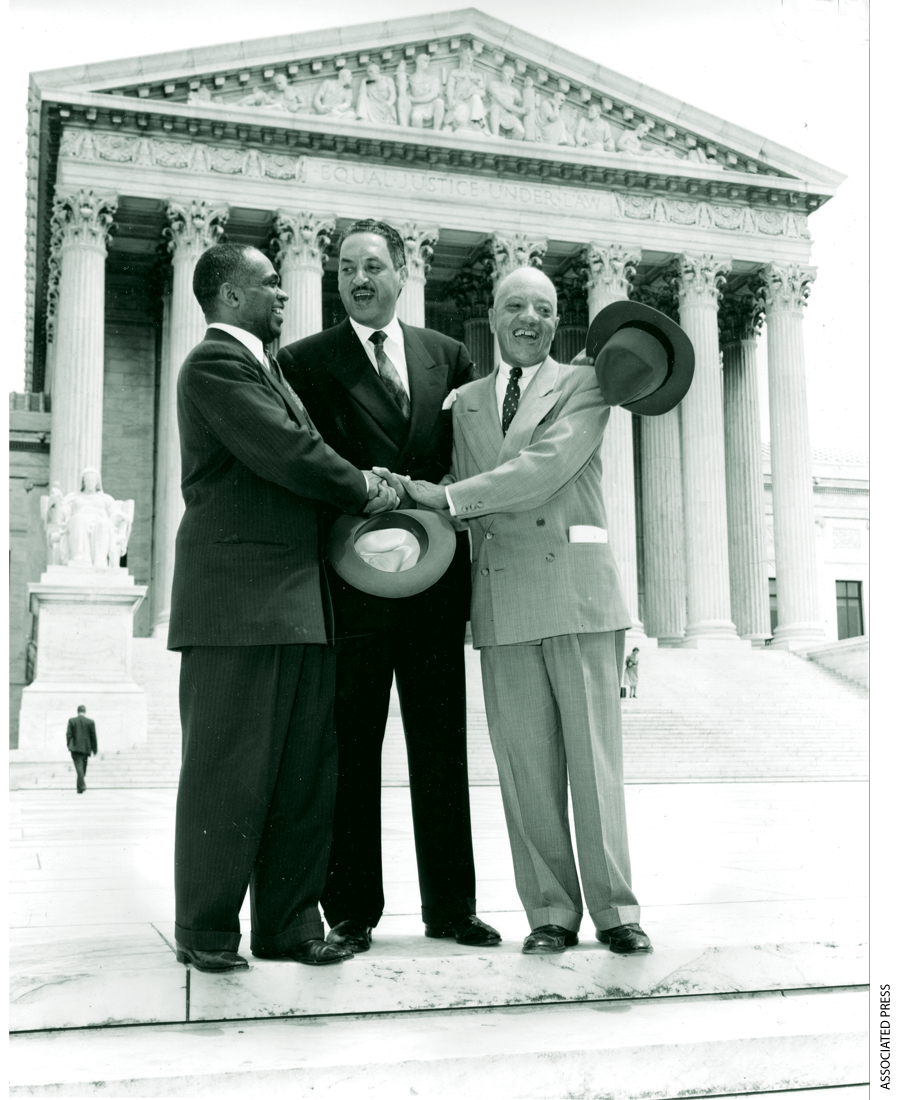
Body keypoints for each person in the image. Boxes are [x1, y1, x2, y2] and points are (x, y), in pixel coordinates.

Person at [378, 267, 653, 958]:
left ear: (556, 322)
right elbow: (455, 485)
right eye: (514, 307)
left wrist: (443, 499)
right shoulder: (464, 401)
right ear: (493, 320)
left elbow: (542, 468)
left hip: (578, 594)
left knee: (594, 763)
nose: (527, 319)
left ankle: (616, 910)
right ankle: (551, 912)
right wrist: (405, 496)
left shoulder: (587, 386)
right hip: (501, 598)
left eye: (542, 308)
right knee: (525, 768)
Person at [168, 242, 398, 975]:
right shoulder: (213, 365)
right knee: (228, 770)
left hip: (297, 599)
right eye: (271, 284)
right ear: (232, 297)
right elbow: (288, 452)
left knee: (305, 773)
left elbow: (301, 447)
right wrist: (364, 487)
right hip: (237, 604)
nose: (285, 294)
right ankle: (206, 929)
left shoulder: (265, 368)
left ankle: (289, 925)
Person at [277, 219, 500, 955]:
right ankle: (350, 912)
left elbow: (471, 462)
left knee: (441, 745)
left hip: (434, 581)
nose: (359, 278)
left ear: (404, 273)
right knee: (352, 748)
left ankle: (452, 907)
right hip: (354, 582)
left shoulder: (450, 355)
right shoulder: (307, 360)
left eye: (373, 265)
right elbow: (306, 463)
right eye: (346, 268)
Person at [66, 705, 97, 794]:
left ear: (77, 711)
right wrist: (94, 749)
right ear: (85, 711)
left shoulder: (72, 721)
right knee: (82, 768)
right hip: (86, 749)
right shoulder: (90, 722)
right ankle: (81, 786)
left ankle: (80, 787)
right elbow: (93, 736)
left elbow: (68, 734)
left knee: (80, 769)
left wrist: (69, 745)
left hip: (75, 749)